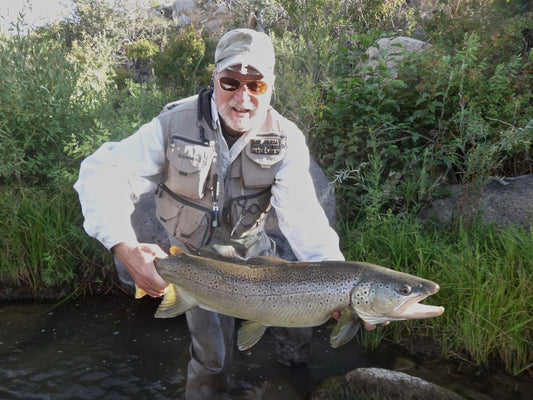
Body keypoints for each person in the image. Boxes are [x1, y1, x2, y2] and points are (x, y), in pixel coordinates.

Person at [74, 28, 380, 399]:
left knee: (298, 339)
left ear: (271, 87)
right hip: (194, 261)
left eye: (256, 85)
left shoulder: (286, 138)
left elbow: (304, 218)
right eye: (231, 81)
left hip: (257, 256)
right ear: (214, 79)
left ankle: (295, 387)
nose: (243, 97)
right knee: (212, 361)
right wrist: (124, 247)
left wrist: (339, 282)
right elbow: (103, 171)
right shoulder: (172, 124)